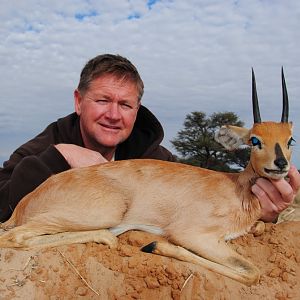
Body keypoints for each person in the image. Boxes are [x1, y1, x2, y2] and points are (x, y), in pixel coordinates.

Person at [0, 54, 299, 224]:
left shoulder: (154, 156)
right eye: (103, 100)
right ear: (79, 102)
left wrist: (260, 208)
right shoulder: (47, 144)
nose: (114, 115)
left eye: (126, 105)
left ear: (137, 110)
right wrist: (60, 156)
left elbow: (196, 199)